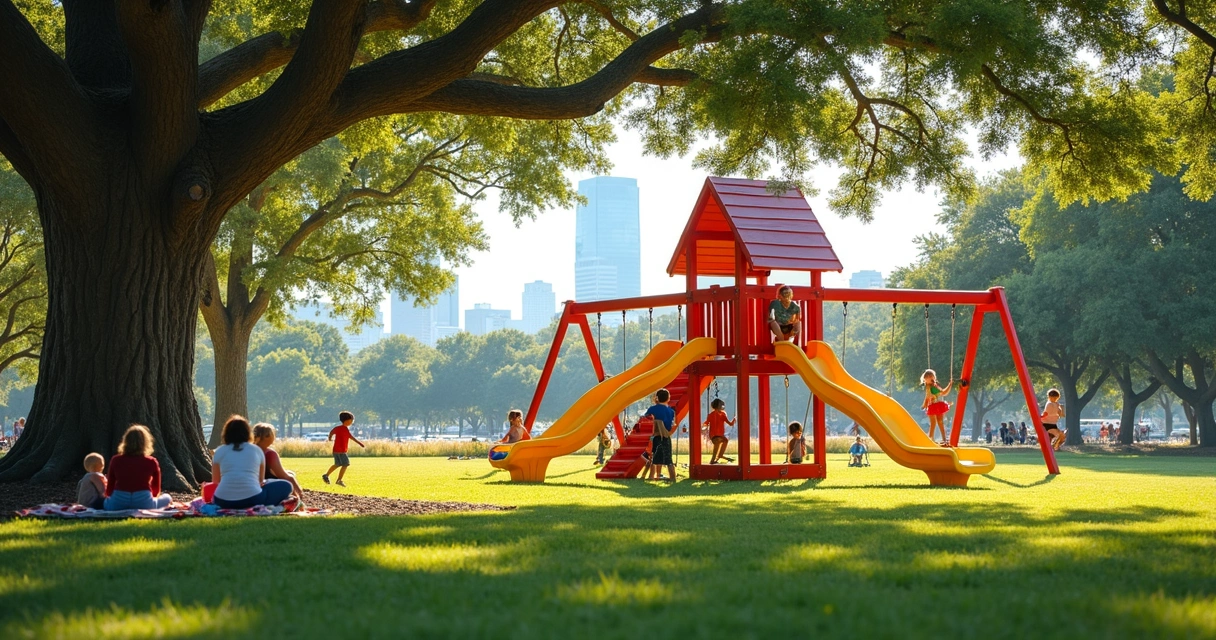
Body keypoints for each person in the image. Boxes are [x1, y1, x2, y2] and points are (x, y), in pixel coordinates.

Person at [212, 416, 294, 509]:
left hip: (222, 500)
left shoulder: (219, 451)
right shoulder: (256, 450)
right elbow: (260, 481)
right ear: (248, 432)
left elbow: (216, 481)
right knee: (287, 486)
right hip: (252, 499)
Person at [104, 424, 172, 510]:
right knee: (167, 497)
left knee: (105, 502)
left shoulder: (116, 460)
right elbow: (156, 490)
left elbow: (109, 488)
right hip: (144, 501)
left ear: (125, 442)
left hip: (119, 501)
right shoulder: (151, 462)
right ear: (145, 443)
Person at [253, 423, 304, 503]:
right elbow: (285, 477)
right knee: (290, 476)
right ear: (268, 436)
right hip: (265, 490)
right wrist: (299, 492)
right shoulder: (270, 454)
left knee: (290, 472)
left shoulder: (249, 450)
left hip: (252, 487)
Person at [323, 411, 365, 487]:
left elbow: (332, 432)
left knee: (337, 464)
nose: (352, 422)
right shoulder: (343, 429)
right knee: (346, 464)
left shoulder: (340, 429)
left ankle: (326, 475)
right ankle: (339, 480)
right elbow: (350, 437)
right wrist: (330, 438)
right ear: (347, 420)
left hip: (337, 450)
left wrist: (359, 443)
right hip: (341, 450)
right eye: (351, 421)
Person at [644, 389, 676, 481]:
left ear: (657, 398)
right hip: (666, 436)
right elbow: (672, 424)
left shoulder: (652, 409)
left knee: (654, 457)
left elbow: (647, 419)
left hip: (656, 436)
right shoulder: (671, 411)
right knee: (668, 458)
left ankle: (651, 476)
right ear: (668, 398)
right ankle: (673, 477)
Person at [921, 369, 953, 445]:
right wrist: (924, 404)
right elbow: (927, 396)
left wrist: (950, 384)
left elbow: (944, 393)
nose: (930, 378)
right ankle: (931, 438)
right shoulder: (929, 387)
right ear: (925, 379)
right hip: (933, 406)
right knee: (933, 422)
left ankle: (943, 439)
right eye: (928, 377)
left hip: (938, 405)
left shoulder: (934, 387)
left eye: (931, 376)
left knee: (939, 422)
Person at [702, 398, 736, 464]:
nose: (723, 406)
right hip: (717, 435)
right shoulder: (719, 415)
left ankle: (717, 457)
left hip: (715, 435)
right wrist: (734, 419)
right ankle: (719, 456)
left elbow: (706, 423)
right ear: (719, 406)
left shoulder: (713, 415)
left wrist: (705, 426)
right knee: (722, 441)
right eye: (722, 405)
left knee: (721, 442)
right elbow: (730, 424)